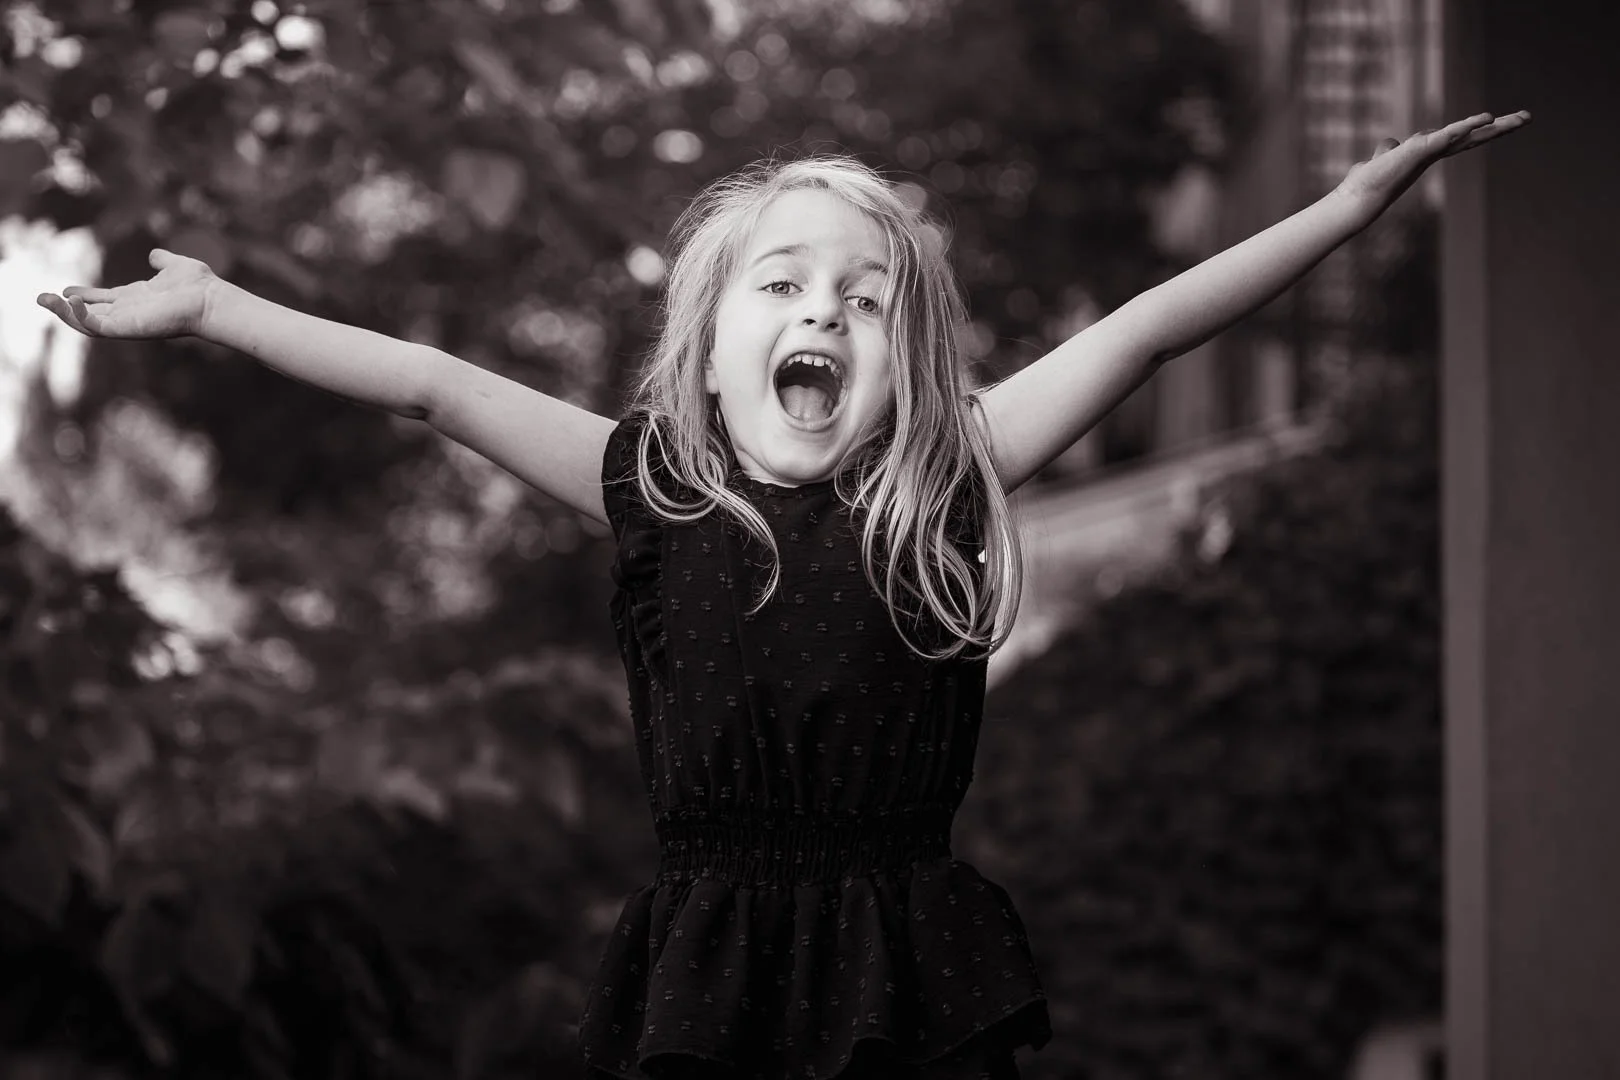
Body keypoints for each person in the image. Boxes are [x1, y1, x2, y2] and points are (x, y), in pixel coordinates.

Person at [38, 109, 1529, 1080]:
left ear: (908, 358)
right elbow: (430, 386)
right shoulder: (651, 491)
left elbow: (1143, 333)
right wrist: (220, 309)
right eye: (781, 285)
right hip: (710, 965)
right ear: (709, 343)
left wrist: (1342, 210)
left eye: (863, 298)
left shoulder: (948, 478)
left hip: (910, 964)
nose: (822, 309)